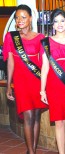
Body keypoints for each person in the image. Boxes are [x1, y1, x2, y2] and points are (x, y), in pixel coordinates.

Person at [2, 4, 47, 154]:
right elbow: (10, 62)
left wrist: (44, 86)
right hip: (21, 81)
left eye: (23, 17)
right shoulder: (11, 37)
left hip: (36, 80)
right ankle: (31, 151)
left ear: (30, 18)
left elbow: (45, 63)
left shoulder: (40, 37)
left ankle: (31, 149)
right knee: (28, 115)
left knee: (35, 116)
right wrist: (9, 85)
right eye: (17, 17)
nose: (20, 20)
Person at [40, 9, 65, 154]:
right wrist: (42, 89)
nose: (59, 24)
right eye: (56, 21)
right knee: (59, 122)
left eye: (62, 20)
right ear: (52, 25)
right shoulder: (46, 42)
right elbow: (45, 66)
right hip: (54, 85)